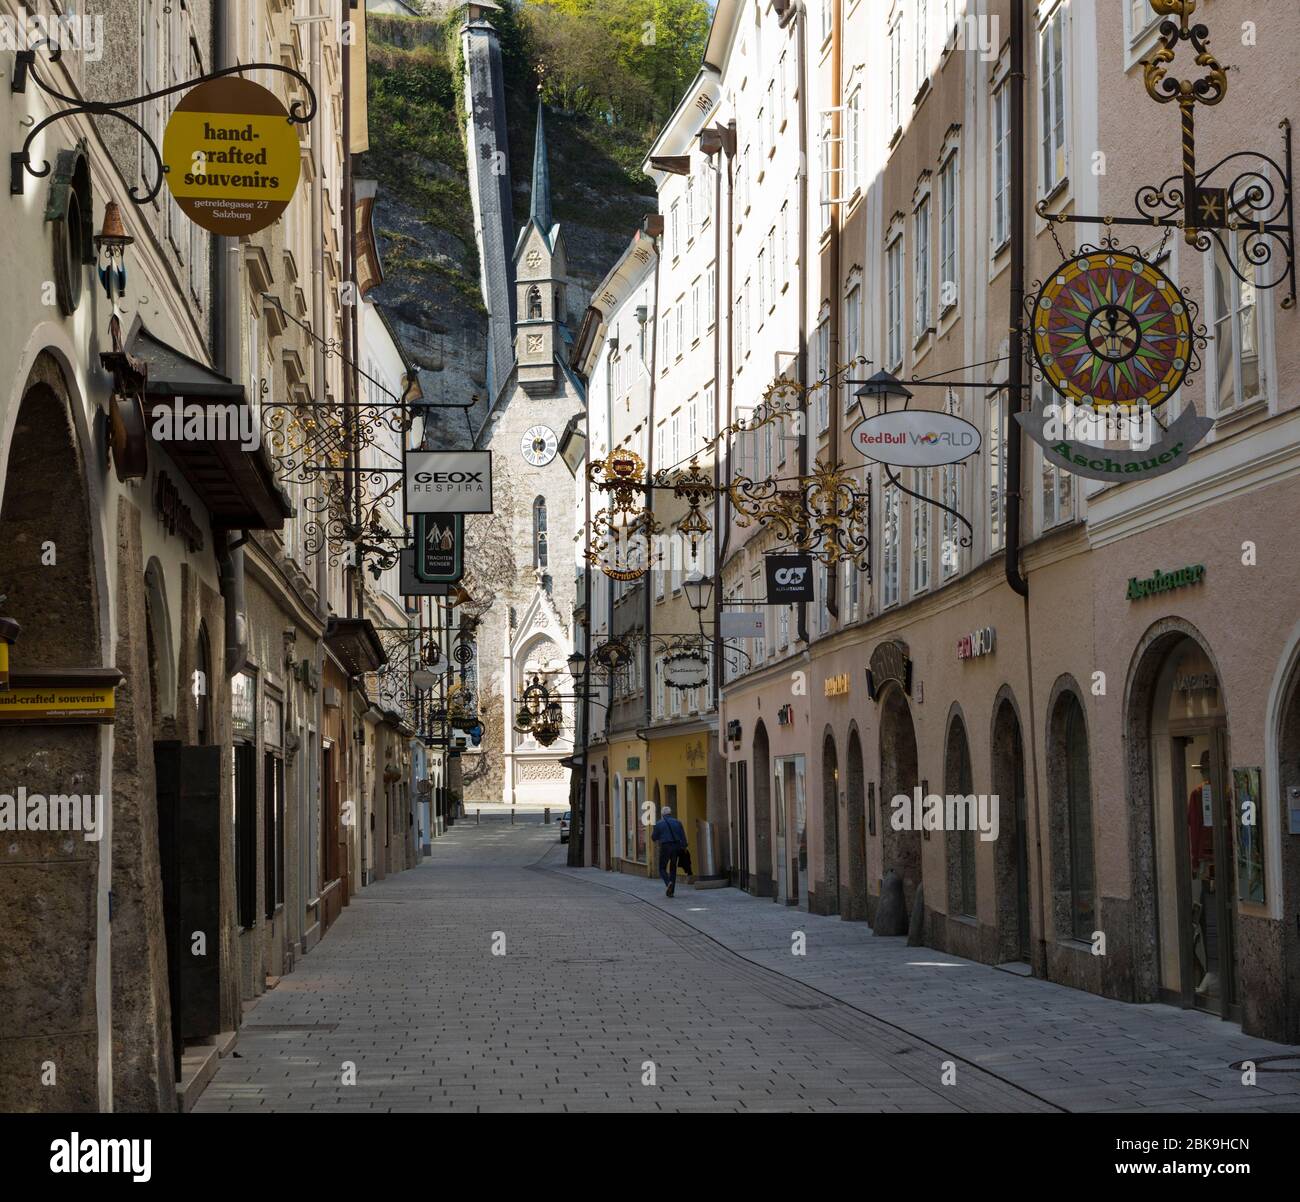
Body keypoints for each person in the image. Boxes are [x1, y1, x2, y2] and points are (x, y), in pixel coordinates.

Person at [651, 805, 688, 897]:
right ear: (670, 814)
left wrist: (660, 836)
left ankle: (668, 883)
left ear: (662, 815)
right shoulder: (678, 822)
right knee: (673, 868)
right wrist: (684, 847)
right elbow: (683, 837)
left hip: (665, 847)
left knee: (662, 867)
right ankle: (671, 892)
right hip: (676, 847)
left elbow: (654, 837)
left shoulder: (659, 824)